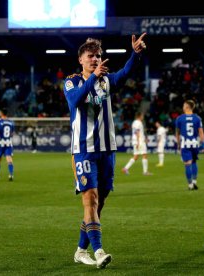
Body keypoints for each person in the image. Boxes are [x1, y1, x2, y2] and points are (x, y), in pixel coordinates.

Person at [63, 33, 147, 269]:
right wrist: (93, 78)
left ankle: (81, 250)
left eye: (98, 56)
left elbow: (126, 73)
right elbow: (75, 101)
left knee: (100, 202)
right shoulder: (72, 81)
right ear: (80, 59)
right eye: (90, 56)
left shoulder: (107, 80)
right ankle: (99, 251)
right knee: (90, 200)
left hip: (107, 151)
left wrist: (136, 54)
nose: (95, 59)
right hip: (84, 150)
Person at [175, 99, 204, 190]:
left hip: (185, 144)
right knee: (194, 161)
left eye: (184, 105)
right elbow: (201, 132)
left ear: (187, 107)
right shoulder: (197, 118)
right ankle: (195, 182)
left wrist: (179, 145)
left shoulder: (179, 118)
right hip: (194, 143)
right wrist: (203, 144)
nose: (183, 107)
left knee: (187, 163)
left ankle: (190, 185)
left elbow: (177, 133)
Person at [122, 111, 153, 175]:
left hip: (136, 141)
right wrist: (139, 142)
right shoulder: (139, 123)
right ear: (140, 116)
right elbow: (137, 132)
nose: (143, 116)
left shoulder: (134, 122)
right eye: (142, 115)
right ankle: (145, 172)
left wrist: (143, 139)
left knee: (136, 156)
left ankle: (125, 168)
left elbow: (138, 132)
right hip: (139, 141)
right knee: (144, 155)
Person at [0, 108, 15, 181]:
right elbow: (12, 133)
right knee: (9, 159)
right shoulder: (11, 123)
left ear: (1, 113)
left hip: (1, 143)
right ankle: (11, 175)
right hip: (8, 142)